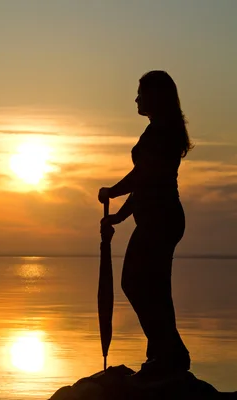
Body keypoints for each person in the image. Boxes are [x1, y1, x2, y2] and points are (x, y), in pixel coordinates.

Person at [98, 70, 194, 381]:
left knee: (137, 284)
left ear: (155, 96)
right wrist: (119, 217)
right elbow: (145, 186)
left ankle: (168, 352)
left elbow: (144, 178)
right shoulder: (157, 131)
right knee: (153, 288)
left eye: (141, 93)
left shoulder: (162, 133)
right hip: (157, 218)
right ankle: (165, 353)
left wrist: (112, 191)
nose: (137, 99)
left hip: (161, 220)